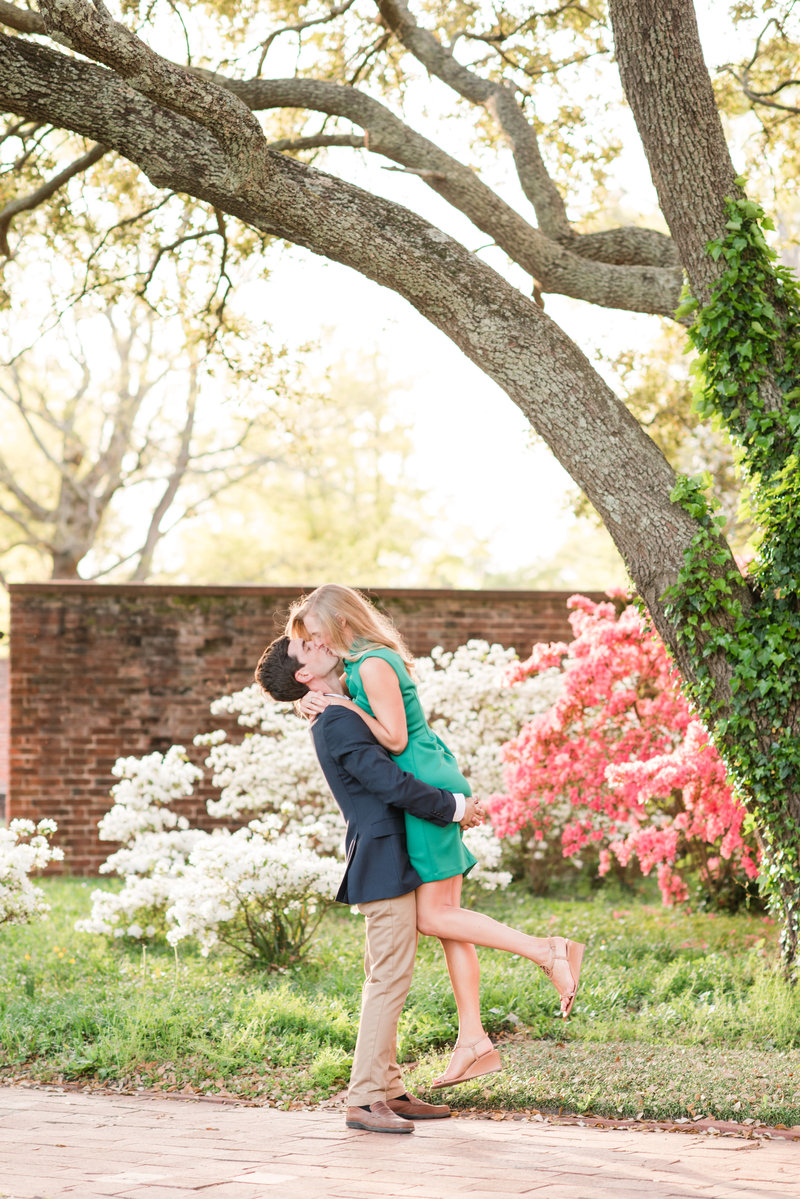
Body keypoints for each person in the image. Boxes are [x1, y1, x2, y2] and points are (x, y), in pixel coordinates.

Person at [287, 584, 585, 1090]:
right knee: (449, 922)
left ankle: (547, 950)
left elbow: (396, 739)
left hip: (424, 784)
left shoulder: (373, 664)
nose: (316, 645)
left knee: (433, 915)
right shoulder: (360, 667)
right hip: (423, 781)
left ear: (341, 623)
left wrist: (343, 709)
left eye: (316, 634)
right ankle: (474, 1041)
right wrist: (329, 701)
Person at [255, 633, 484, 1134]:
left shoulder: (337, 709)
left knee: (388, 976)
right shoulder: (336, 720)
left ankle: (390, 1089)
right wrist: (454, 807)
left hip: (386, 858)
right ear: (302, 676)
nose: (317, 641)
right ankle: (363, 1100)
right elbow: (388, 783)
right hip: (380, 860)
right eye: (305, 647)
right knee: (387, 981)